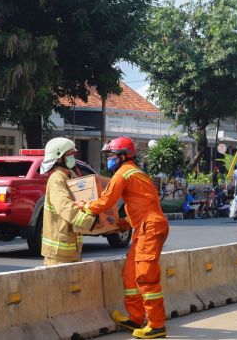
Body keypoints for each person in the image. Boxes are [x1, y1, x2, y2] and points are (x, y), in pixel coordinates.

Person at [76, 137, 169, 339]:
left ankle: (156, 325)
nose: (108, 159)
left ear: (122, 156)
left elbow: (105, 201)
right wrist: (126, 221)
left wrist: (85, 206)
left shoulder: (123, 174)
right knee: (130, 273)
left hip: (149, 227)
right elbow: (141, 201)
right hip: (144, 226)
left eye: (110, 155)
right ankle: (135, 318)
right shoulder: (134, 172)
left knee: (146, 275)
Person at [40, 137, 98, 266]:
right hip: (58, 252)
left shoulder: (71, 176)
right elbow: (66, 208)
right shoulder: (56, 179)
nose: (73, 157)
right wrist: (91, 222)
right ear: (59, 158)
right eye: (69, 154)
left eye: (73, 153)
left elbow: (84, 201)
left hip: (72, 249)